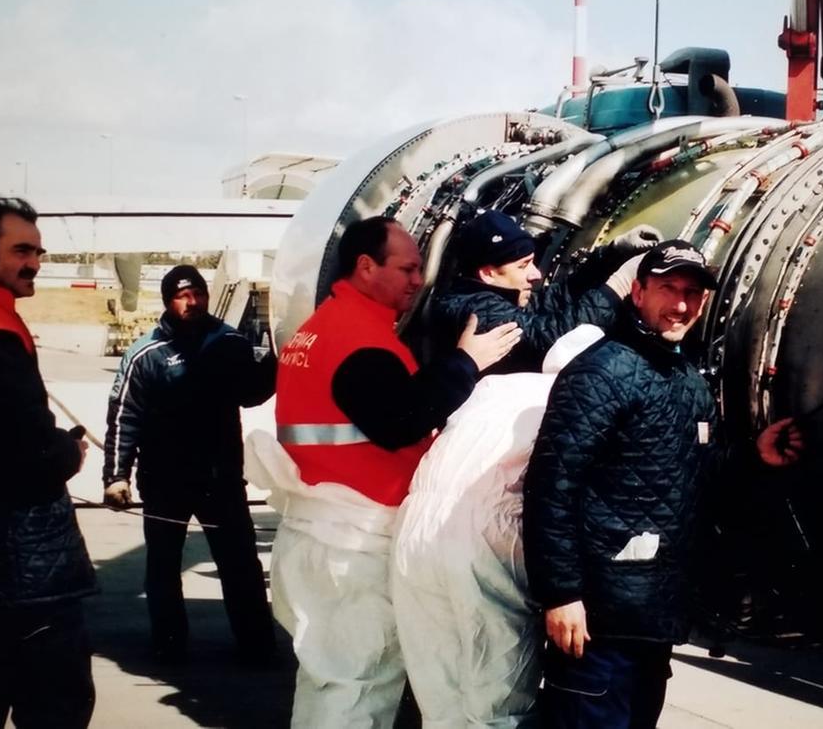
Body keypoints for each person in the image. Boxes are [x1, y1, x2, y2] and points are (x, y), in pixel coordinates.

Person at [522, 240, 802, 729]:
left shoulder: (687, 380)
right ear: (637, 292)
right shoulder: (600, 373)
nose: (680, 304)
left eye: (692, 293)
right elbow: (550, 489)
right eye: (667, 288)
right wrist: (561, 595)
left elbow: (700, 473)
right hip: (599, 623)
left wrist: (755, 456)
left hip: (655, 617)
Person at [262, 216, 521, 728]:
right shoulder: (360, 342)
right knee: (358, 687)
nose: (417, 280)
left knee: (332, 681)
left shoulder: (318, 329)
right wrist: (465, 363)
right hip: (353, 541)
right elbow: (399, 421)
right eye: (406, 268)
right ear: (365, 266)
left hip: (320, 529)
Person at [391, 323, 604, 729]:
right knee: (498, 700)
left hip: (415, 529)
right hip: (484, 539)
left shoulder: (496, 388)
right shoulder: (571, 401)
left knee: (440, 697)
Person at [0, 195, 98, 728]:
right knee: (53, 705)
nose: (34, 263)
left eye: (39, 252)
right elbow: (27, 460)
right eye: (21, 250)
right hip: (11, 565)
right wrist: (67, 452)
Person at [101, 264, 277, 663]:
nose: (192, 301)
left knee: (240, 565)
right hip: (164, 482)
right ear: (168, 301)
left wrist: (276, 362)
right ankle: (169, 646)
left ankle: (258, 648)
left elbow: (251, 394)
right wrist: (116, 476)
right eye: (183, 295)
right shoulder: (144, 354)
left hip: (221, 480)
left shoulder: (229, 342)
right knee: (163, 569)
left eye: (198, 293)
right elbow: (123, 417)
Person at [427, 210, 659, 375]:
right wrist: (617, 286)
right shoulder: (476, 313)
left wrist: (612, 254)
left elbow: (555, 299)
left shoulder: (495, 297)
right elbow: (550, 338)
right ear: (488, 274)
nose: (536, 274)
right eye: (523, 265)